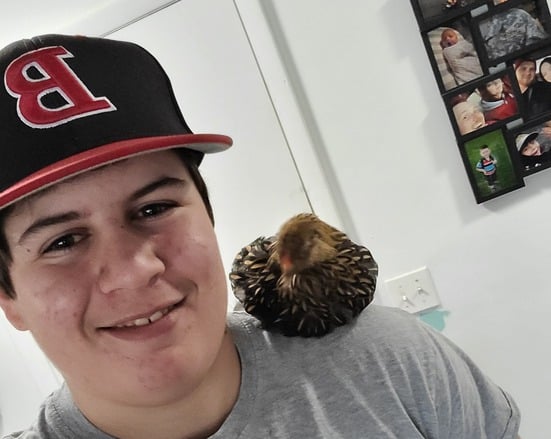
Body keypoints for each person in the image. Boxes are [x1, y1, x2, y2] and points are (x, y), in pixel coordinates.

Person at [0, 34, 520, 438]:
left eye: (154, 208)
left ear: (208, 215)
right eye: (62, 241)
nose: (136, 268)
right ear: (9, 297)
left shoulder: (394, 363)